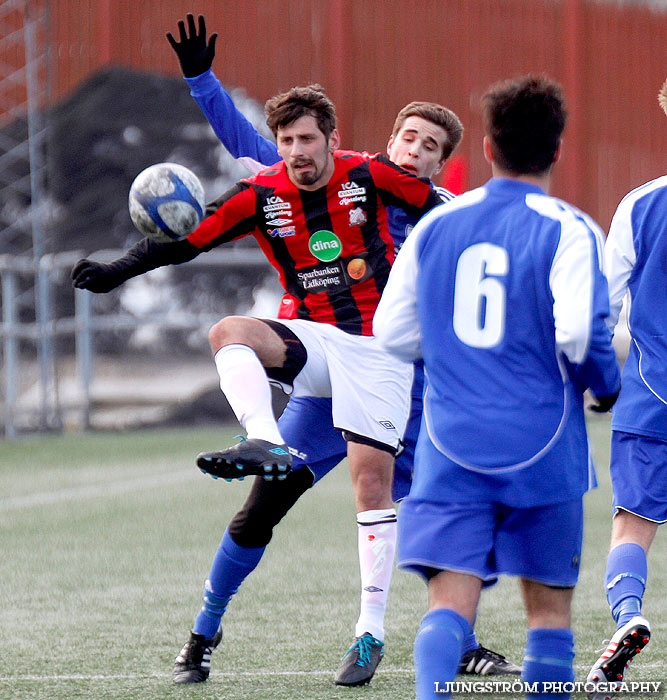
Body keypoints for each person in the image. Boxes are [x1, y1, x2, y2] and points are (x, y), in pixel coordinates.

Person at [165, 13, 520, 685]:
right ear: (390, 140)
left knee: (441, 512)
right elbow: (249, 146)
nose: (414, 149)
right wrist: (202, 81)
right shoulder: (334, 180)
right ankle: (202, 633)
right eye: (407, 136)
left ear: (442, 163)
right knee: (261, 509)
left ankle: (460, 640)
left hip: (400, 389)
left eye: (429, 145)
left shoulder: (443, 215)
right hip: (323, 380)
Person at [71, 83, 444, 685]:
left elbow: (446, 211)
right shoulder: (261, 193)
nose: (298, 151)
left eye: (307, 140)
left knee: (373, 487)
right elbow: (189, 241)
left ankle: (370, 632)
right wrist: (119, 269)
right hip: (315, 345)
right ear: (278, 145)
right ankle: (205, 623)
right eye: (287, 140)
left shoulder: (371, 176)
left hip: (379, 355)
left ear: (333, 140)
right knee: (231, 336)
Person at [373, 75, 621, 699]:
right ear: (558, 149)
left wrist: (458, 355)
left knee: (448, 607)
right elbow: (578, 337)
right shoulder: (570, 228)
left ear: (484, 147)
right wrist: (606, 387)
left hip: (452, 443)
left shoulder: (436, 226)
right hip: (544, 445)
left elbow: (393, 333)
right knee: (547, 618)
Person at [585, 79, 667, 700]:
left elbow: (602, 311)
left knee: (632, 525)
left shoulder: (640, 205)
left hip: (651, 395)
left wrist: (597, 383)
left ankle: (628, 617)